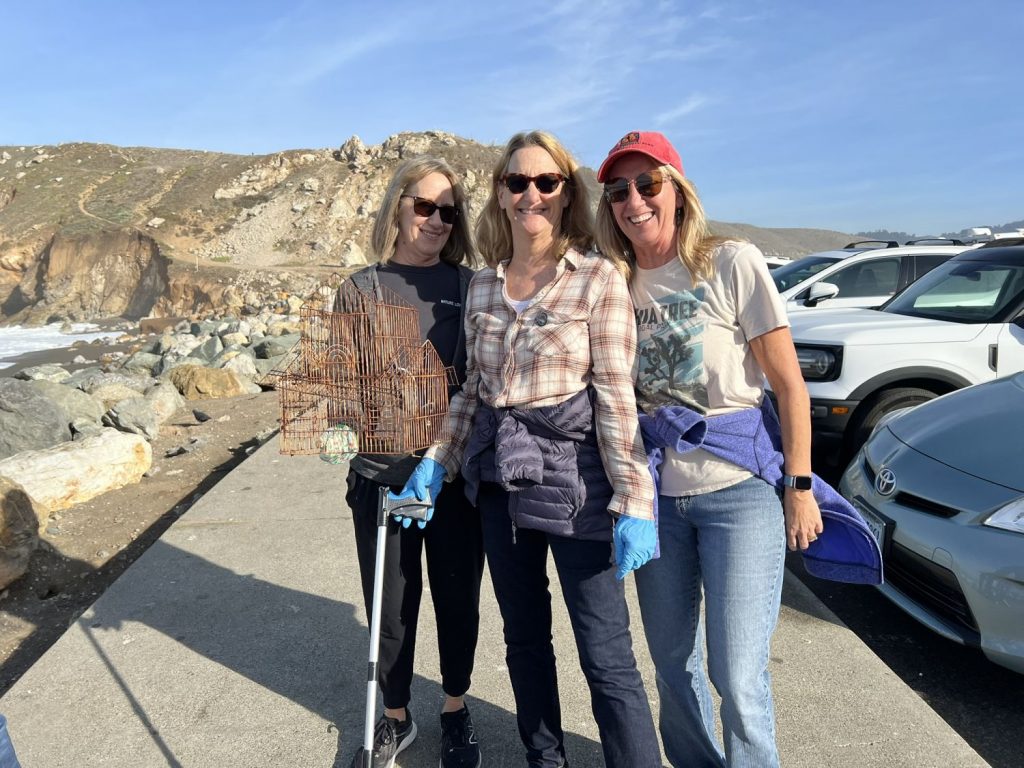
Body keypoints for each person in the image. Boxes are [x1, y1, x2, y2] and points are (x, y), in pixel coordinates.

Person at [399, 130, 661, 768]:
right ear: (500, 193)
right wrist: (437, 462)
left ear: (567, 194)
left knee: (606, 655)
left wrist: (634, 499)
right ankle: (546, 760)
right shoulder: (484, 287)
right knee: (523, 641)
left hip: (579, 486)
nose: (532, 194)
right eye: (518, 182)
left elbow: (615, 395)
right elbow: (472, 393)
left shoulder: (599, 277)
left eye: (547, 182)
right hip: (500, 487)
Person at [594, 130, 824, 768]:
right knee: (672, 665)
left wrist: (798, 487)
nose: (634, 201)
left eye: (648, 184)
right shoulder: (613, 282)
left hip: (740, 492)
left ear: (677, 189)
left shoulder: (731, 262)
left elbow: (788, 385)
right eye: (619, 191)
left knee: (739, 676)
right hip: (657, 501)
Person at [338, 156, 485, 768]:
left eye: (448, 212)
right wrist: (341, 420)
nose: (436, 221)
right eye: (424, 206)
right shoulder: (360, 287)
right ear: (397, 206)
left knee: (458, 598)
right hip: (382, 478)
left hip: (451, 478)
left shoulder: (470, 285)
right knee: (392, 606)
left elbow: (481, 377)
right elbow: (339, 378)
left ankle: (455, 709)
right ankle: (395, 717)